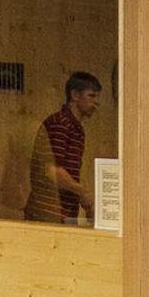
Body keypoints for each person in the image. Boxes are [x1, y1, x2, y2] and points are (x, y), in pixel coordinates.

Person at [25, 71, 100, 224]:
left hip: (65, 212)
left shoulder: (76, 128)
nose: (96, 102)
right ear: (75, 95)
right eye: (91, 96)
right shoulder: (60, 124)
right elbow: (52, 171)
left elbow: (67, 173)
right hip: (47, 212)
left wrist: (85, 202)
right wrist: (83, 192)